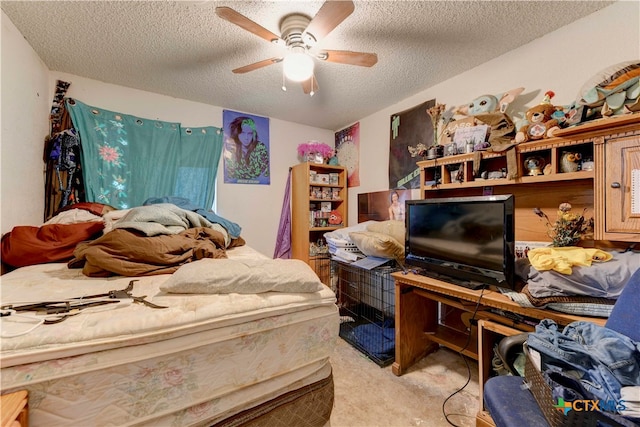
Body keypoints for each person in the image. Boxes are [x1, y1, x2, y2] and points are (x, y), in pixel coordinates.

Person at [226, 116, 269, 180]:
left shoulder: (260, 148)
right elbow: (230, 175)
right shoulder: (231, 150)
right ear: (236, 134)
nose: (246, 138)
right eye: (242, 133)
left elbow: (265, 174)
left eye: (250, 133)